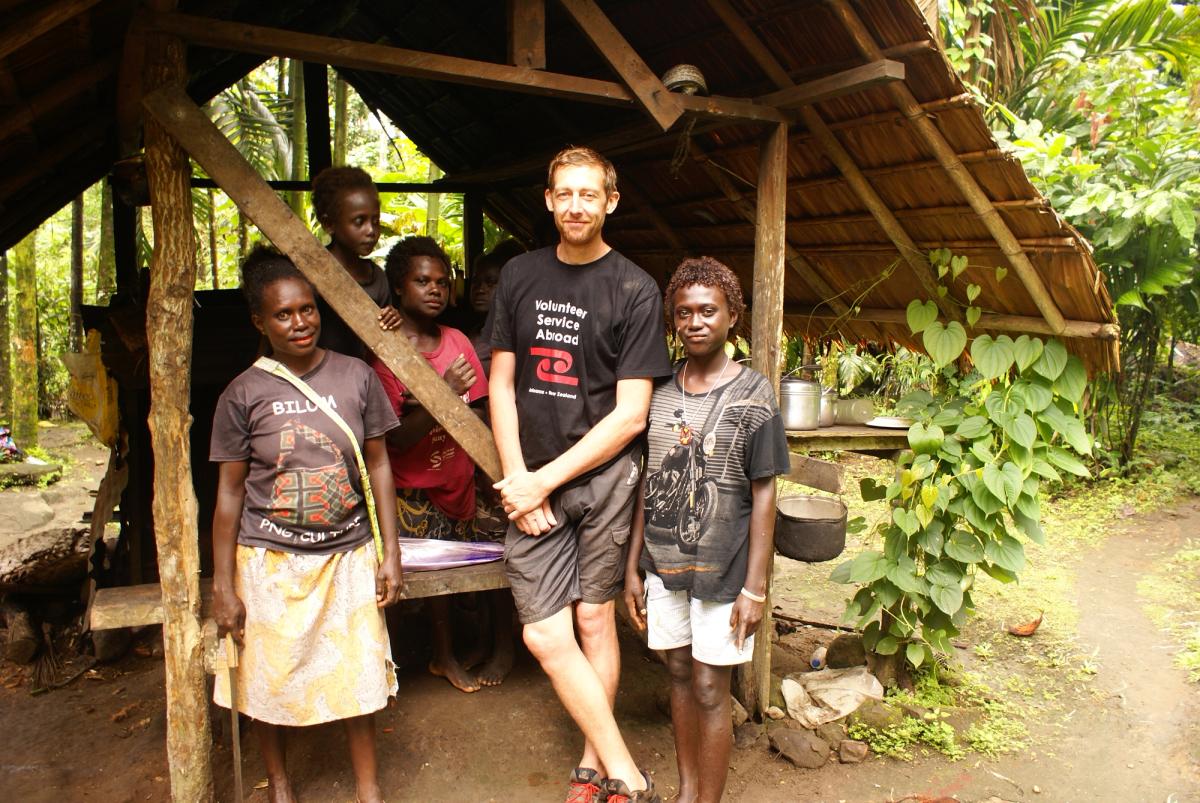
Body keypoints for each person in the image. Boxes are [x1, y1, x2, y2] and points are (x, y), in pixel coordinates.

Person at [484, 146, 673, 803]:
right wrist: (519, 477)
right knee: (543, 632)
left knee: (595, 619)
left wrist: (544, 479)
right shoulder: (520, 275)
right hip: (531, 480)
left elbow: (631, 416)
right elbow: (500, 384)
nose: (575, 206)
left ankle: (595, 765)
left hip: (603, 480)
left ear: (610, 202)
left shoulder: (634, 289)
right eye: (564, 193)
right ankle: (629, 767)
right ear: (547, 199)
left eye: (588, 194)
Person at [209, 247, 404, 803]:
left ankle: (368, 789)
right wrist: (224, 585)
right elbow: (227, 495)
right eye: (284, 314)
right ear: (259, 322)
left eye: (308, 309)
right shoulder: (242, 394)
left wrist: (390, 552)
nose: (300, 322)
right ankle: (281, 783)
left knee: (359, 678)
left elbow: (380, 464)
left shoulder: (356, 377)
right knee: (266, 683)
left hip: (347, 556)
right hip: (269, 562)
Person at [623, 257, 791, 803]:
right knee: (676, 671)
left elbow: (765, 491)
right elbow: (649, 480)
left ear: (732, 317)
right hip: (665, 567)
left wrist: (756, 587)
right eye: (685, 313)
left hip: (724, 571)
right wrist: (633, 567)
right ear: (673, 320)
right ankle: (688, 790)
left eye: (708, 311)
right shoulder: (660, 394)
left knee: (709, 685)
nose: (696, 322)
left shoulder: (754, 395)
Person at [371, 236, 514, 691]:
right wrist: (442, 394)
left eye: (441, 280)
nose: (435, 289)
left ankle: (495, 645)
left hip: (461, 478)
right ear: (397, 287)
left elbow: (483, 414)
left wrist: (429, 402)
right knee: (435, 577)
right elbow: (393, 439)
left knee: (494, 557)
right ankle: (443, 655)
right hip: (414, 487)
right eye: (421, 281)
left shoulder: (456, 342)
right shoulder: (388, 352)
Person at [310, 166, 402, 357]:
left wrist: (392, 319)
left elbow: (384, 339)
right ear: (329, 224)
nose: (371, 231)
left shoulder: (376, 277)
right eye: (359, 221)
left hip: (360, 378)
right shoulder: (311, 271)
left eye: (375, 221)